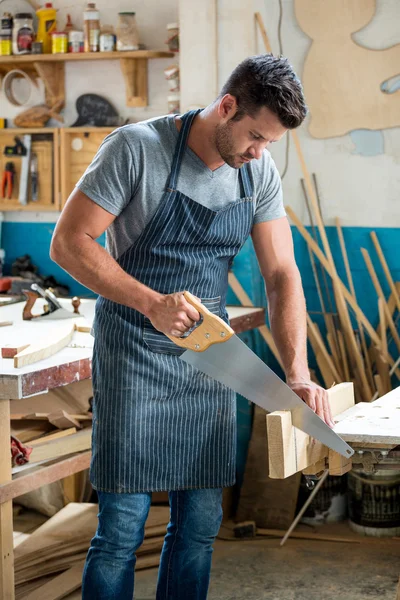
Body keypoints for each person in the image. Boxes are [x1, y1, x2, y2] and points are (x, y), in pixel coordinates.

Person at [50, 53, 334, 600]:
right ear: (226, 107)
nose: (259, 152)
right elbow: (69, 244)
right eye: (255, 136)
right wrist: (151, 302)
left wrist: (296, 372)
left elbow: (281, 272)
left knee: (200, 527)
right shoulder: (136, 149)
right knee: (122, 530)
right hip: (135, 347)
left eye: (270, 143)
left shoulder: (258, 170)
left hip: (210, 353)